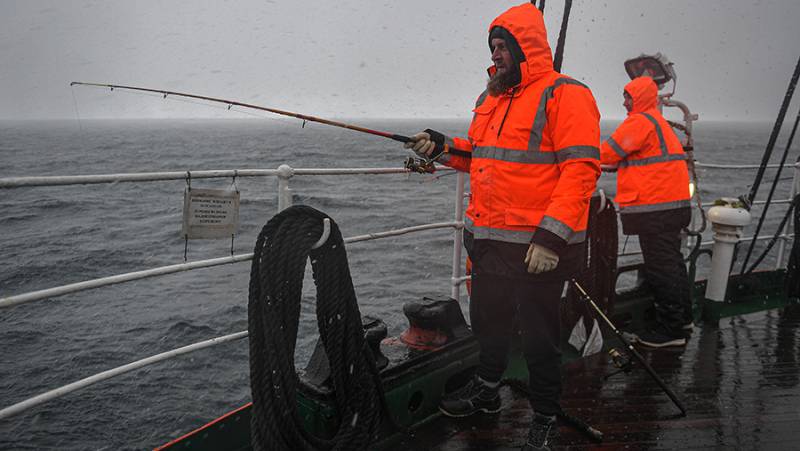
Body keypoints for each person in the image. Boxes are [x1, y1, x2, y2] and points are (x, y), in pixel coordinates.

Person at [404, 3, 600, 450]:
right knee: (487, 323)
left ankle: (545, 416)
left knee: (540, 337)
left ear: (523, 47)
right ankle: (487, 392)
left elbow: (581, 168)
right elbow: (482, 156)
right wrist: (442, 146)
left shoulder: (565, 94)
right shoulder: (489, 97)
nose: (496, 55)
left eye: (502, 46)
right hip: (489, 241)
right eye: (492, 47)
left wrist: (551, 236)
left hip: (537, 248)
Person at [599, 76, 692, 348]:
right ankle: (683, 320)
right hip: (672, 207)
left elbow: (608, 153)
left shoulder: (640, 121)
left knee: (661, 268)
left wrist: (578, 153)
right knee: (673, 264)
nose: (624, 102)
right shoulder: (656, 122)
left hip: (657, 210)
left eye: (628, 96)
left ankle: (671, 331)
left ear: (639, 98)